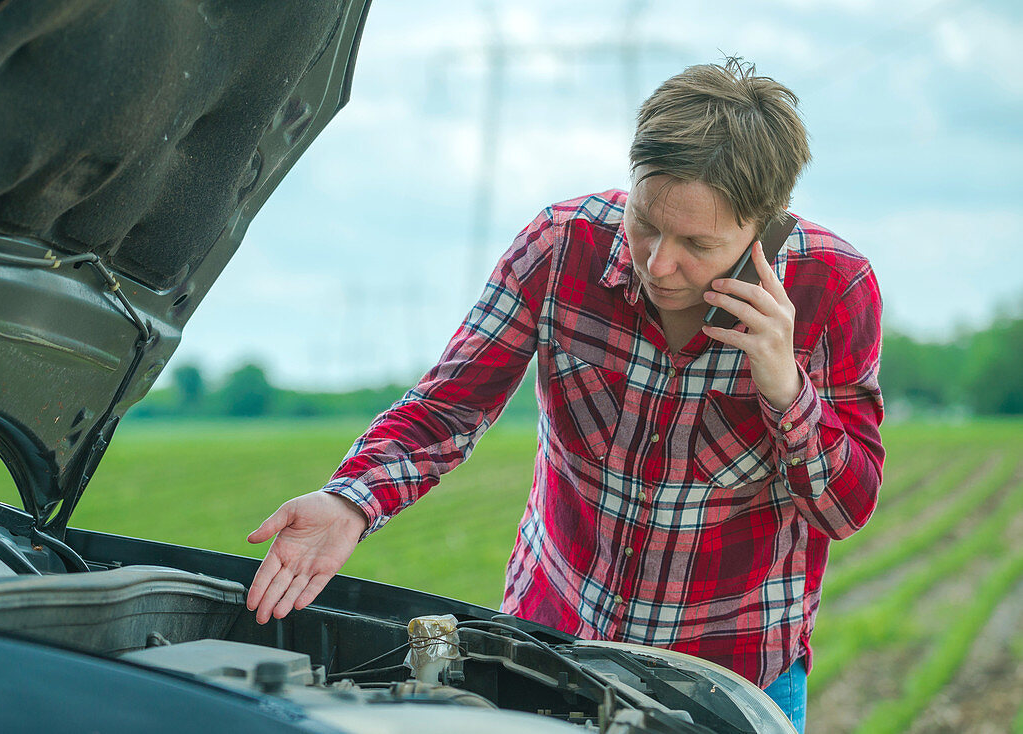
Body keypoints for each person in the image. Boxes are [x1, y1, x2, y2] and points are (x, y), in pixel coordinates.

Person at [245, 58, 885, 732]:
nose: (658, 262)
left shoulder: (834, 290)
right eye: (645, 221)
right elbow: (449, 406)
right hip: (552, 651)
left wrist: (787, 391)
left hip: (731, 676)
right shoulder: (558, 246)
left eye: (696, 243)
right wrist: (351, 500)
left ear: (767, 225)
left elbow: (846, 510)